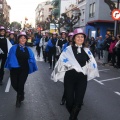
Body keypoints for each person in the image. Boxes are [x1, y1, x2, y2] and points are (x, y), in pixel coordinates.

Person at [51, 28, 99, 120]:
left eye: (82, 37)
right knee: (69, 102)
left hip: (82, 79)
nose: (80, 38)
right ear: (74, 38)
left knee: (79, 101)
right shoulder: (68, 50)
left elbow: (92, 63)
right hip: (69, 78)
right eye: (78, 36)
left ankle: (72, 118)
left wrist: (88, 68)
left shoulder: (87, 50)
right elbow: (61, 62)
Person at [5, 32, 38, 108]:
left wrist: (31, 62)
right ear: (18, 39)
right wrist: (14, 65)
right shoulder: (13, 48)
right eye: (21, 38)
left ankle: (18, 99)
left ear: (26, 40)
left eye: (24, 38)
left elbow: (32, 58)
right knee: (14, 84)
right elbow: (10, 57)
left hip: (24, 70)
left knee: (20, 84)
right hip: (14, 69)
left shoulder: (28, 49)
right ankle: (21, 93)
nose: (23, 39)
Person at [60, 32, 74, 105]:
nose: (71, 38)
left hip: (76, 68)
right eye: (70, 37)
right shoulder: (65, 45)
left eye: (72, 37)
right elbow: (63, 56)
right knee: (67, 85)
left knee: (76, 85)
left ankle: (78, 99)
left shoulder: (78, 46)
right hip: (67, 67)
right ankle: (64, 98)